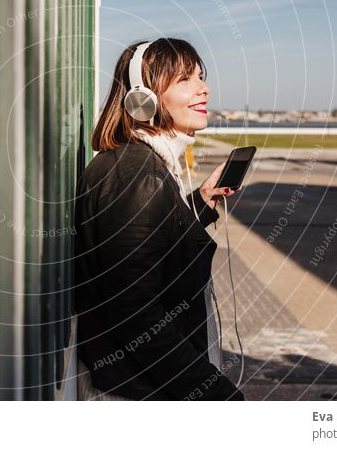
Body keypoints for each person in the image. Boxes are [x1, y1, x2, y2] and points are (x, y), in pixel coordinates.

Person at [73, 37, 244, 401]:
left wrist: (198, 205)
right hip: (141, 391)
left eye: (201, 76)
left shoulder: (141, 166)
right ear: (143, 97)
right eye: (185, 79)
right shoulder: (139, 177)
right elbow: (136, 313)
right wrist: (213, 389)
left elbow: (154, 253)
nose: (204, 88)